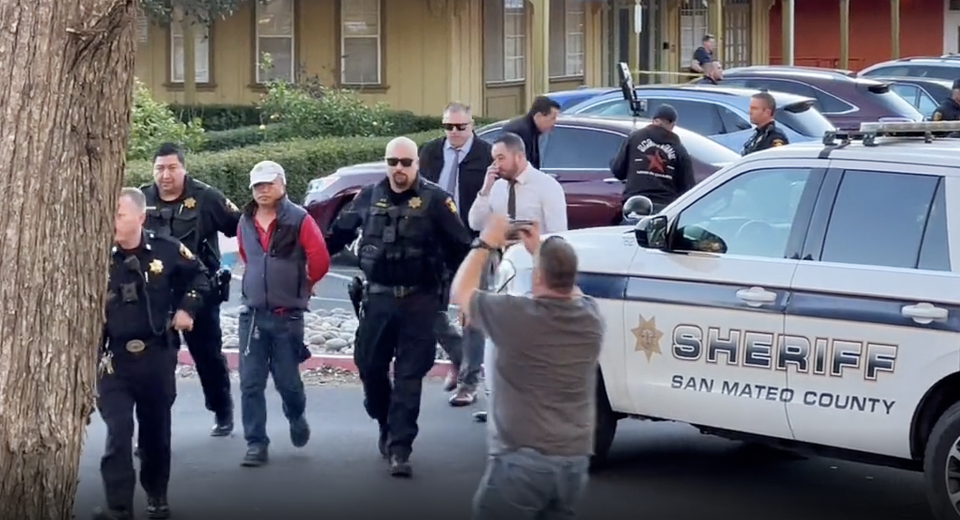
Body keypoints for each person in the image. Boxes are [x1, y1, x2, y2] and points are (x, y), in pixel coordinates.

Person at [325, 136, 473, 477]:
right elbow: (335, 237)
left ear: (417, 164)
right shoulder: (368, 196)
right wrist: (301, 250)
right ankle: (385, 421)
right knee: (370, 367)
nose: (399, 169)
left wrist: (457, 293)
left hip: (419, 301)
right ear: (386, 163)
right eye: (393, 162)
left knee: (409, 376)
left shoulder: (437, 200)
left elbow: (461, 248)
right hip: (377, 299)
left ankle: (400, 448)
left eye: (406, 163)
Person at [449, 215, 604, 520]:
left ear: (536, 277)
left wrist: (485, 242)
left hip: (523, 460)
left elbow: (461, 292)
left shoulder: (517, 315)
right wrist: (540, 251)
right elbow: (569, 287)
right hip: (573, 460)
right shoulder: (590, 318)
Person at [94, 187, 211, 520]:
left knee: (155, 431)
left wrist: (187, 309)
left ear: (141, 217)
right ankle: (118, 507)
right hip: (112, 358)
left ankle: (156, 496)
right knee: (118, 434)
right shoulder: (94, 253)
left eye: (120, 214)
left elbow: (201, 277)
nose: (113, 221)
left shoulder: (166, 249)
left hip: (156, 354)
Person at [235, 160, 331, 467]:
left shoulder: (299, 218)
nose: (263, 190)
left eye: (268, 184)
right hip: (252, 314)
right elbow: (245, 255)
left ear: (282, 186)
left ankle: (296, 415)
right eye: (257, 185)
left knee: (288, 381)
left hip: (286, 315)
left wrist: (306, 283)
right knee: (250, 382)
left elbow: (320, 258)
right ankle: (256, 443)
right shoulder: (245, 220)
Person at [467, 131, 568, 422]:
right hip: (501, 268)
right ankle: (499, 402)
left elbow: (560, 234)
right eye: (493, 159)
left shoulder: (546, 187)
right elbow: (475, 222)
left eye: (500, 157)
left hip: (532, 271)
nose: (496, 164)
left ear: (519, 156)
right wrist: (486, 188)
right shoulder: (497, 188)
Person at [141, 142, 241, 436]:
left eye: (172, 167)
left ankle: (222, 410)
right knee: (152, 365)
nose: (166, 175)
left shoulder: (206, 197)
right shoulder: (142, 198)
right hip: (155, 296)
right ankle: (152, 428)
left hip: (198, 292)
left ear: (184, 168)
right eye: (160, 168)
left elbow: (241, 227)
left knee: (207, 357)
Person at [419, 101, 493, 404]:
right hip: (434, 241)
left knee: (471, 313)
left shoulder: (486, 154)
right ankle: (458, 355)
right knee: (427, 306)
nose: (454, 132)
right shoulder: (431, 152)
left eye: (460, 127)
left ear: (471, 125)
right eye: (448, 126)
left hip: (472, 242)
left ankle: (468, 382)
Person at [610, 104, 695, 215]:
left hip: (634, 204)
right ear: (672, 124)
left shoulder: (635, 138)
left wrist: (612, 163)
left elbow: (618, 171)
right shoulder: (679, 149)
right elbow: (688, 187)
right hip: (664, 207)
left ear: (654, 120)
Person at [500, 96, 561, 169]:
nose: (554, 123)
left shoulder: (533, 131)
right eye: (552, 118)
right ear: (539, 116)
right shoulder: (519, 131)